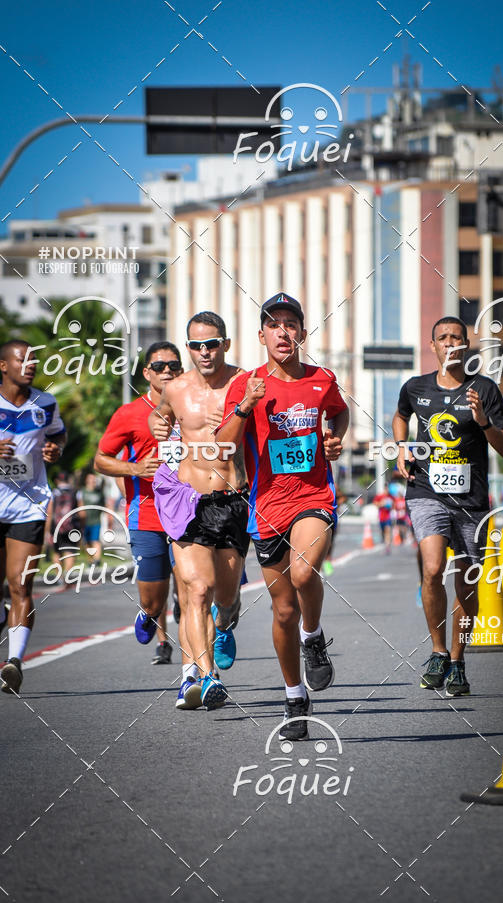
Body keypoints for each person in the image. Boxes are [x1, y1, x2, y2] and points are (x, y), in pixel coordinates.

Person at [216, 292, 349, 741]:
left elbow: (340, 414)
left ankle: (314, 636)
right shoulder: (246, 384)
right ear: (262, 336)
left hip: (313, 495)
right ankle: (294, 695)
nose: (283, 331)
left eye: (291, 324)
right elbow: (223, 445)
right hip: (266, 505)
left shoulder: (321, 379)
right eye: (274, 325)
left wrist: (334, 438)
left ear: (302, 333)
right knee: (283, 608)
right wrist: (245, 405)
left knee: (305, 570)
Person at [392, 316, 503, 697]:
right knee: (431, 567)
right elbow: (401, 416)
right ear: (433, 346)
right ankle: (438, 650)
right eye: (443, 338)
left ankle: (458, 660)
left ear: (466, 345)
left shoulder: (485, 389)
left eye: (456, 338)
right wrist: (401, 446)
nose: (450, 344)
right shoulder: (415, 387)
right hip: (426, 491)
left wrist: (483, 421)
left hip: (472, 501)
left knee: (467, 579)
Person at [148, 312, 249, 711]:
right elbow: (160, 415)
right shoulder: (176, 388)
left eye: (211, 344)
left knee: (224, 599)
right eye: (195, 345)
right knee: (197, 591)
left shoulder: (244, 382)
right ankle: (206, 678)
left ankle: (225, 625)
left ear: (225, 343)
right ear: (187, 346)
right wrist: (159, 424)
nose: (204, 352)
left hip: (232, 500)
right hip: (187, 502)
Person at [94, 342, 184, 666]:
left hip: (189, 516)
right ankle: (149, 614)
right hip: (147, 515)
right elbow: (100, 460)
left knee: (191, 593)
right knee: (154, 601)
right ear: (147, 373)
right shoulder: (130, 414)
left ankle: (195, 674)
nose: (167, 372)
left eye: (174, 366)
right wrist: (134, 468)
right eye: (159, 367)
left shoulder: (194, 409)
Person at [0, 339, 66, 695]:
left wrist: (56, 449)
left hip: (29, 504)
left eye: (34, 359)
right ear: (3, 366)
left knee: (20, 584)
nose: (30, 364)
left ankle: (14, 662)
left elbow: (59, 435)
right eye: (22, 359)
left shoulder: (46, 402)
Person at [48, 471, 81, 576]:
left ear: (57, 480)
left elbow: (49, 512)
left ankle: (58, 576)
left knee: (57, 551)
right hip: (72, 526)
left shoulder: (53, 492)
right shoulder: (76, 492)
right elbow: (82, 512)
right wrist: (82, 525)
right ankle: (67, 575)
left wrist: (47, 530)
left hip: (56, 526)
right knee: (70, 549)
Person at [78, 472, 106, 560]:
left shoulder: (99, 493)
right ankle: (90, 560)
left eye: (94, 479)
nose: (93, 481)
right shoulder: (82, 491)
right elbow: (80, 506)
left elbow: (104, 506)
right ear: (87, 480)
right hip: (85, 521)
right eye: (91, 479)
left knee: (95, 540)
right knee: (87, 542)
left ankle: (97, 560)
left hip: (96, 521)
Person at [373, 485, 394, 553]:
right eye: (386, 489)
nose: (386, 491)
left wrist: (391, 506)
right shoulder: (380, 496)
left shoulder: (391, 497)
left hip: (388, 517)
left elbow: (394, 505)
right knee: (383, 532)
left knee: (387, 530)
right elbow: (375, 503)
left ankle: (387, 546)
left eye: (388, 489)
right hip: (381, 517)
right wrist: (381, 504)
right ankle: (384, 541)